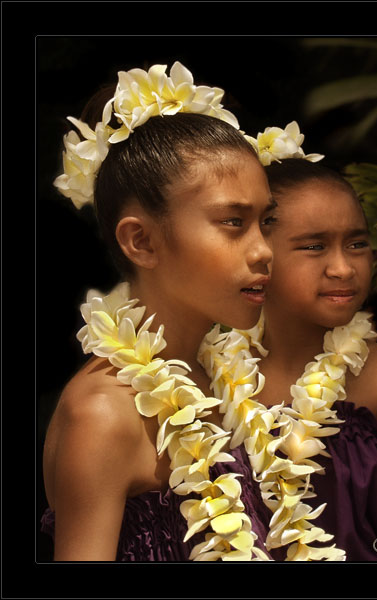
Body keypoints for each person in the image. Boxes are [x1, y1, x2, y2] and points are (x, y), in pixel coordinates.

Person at [41, 61, 277, 561]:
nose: (263, 251)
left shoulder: (227, 379)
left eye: (265, 221)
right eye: (233, 222)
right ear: (141, 240)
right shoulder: (102, 413)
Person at [198, 127, 377, 561]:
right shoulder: (202, 380)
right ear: (259, 254)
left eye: (357, 244)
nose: (343, 268)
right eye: (314, 247)